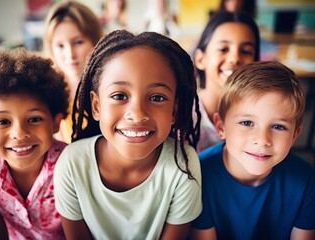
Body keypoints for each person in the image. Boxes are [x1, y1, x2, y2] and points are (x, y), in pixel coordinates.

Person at [53, 30, 202, 239]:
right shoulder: (72, 164)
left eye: (157, 98)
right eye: (119, 96)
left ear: (174, 112)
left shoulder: (183, 165)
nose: (138, 114)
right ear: (97, 106)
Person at [191, 61, 315, 239]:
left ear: (295, 134)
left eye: (278, 127)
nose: (263, 140)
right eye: (247, 123)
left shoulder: (307, 181)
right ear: (221, 127)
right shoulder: (199, 177)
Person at [0, 48, 69, 239]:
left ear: (56, 123)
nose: (19, 133)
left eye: (34, 119)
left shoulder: (71, 166)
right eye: (3, 122)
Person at [193, 11, 260, 152]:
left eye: (246, 51)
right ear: (200, 59)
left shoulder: (261, 116)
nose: (234, 58)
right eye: (223, 49)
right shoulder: (182, 115)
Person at [43, 1, 103, 143]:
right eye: (60, 45)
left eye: (78, 42)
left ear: (96, 41)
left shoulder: (111, 87)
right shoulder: (50, 95)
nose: (70, 54)